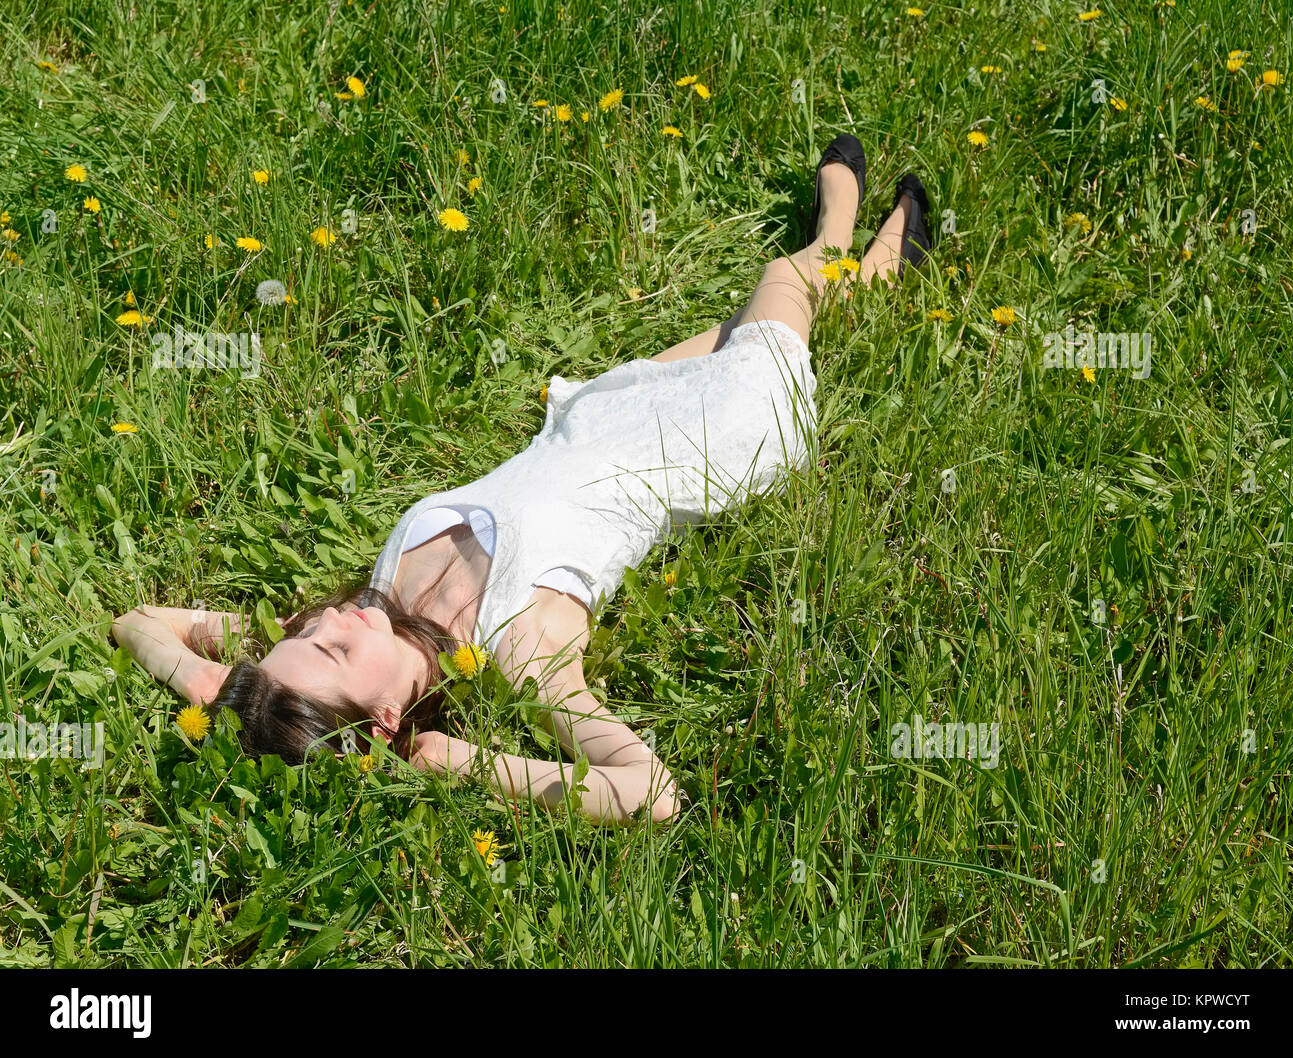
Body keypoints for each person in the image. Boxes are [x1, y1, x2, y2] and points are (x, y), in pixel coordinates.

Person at [111, 133, 932, 826]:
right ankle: (843, 216)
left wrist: (220, 684)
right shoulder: (523, 649)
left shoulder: (364, 614)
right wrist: (460, 762)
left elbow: (137, 623)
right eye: (332, 648)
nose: (332, 619)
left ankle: (880, 270)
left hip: (604, 411)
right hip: (725, 434)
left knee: (742, 325)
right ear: (390, 718)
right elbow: (651, 796)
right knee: (789, 280)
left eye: (308, 632)